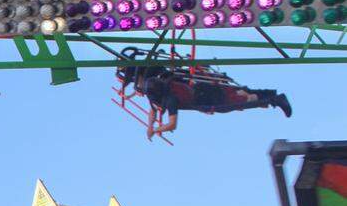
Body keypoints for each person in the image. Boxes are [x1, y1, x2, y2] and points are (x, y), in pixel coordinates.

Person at [120, 64, 292, 140]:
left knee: (243, 99)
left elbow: (172, 124)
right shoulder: (158, 92)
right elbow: (153, 110)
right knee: (241, 95)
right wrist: (150, 127)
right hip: (204, 91)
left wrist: (156, 128)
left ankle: (275, 99)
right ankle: (272, 96)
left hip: (209, 95)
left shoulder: (169, 98)